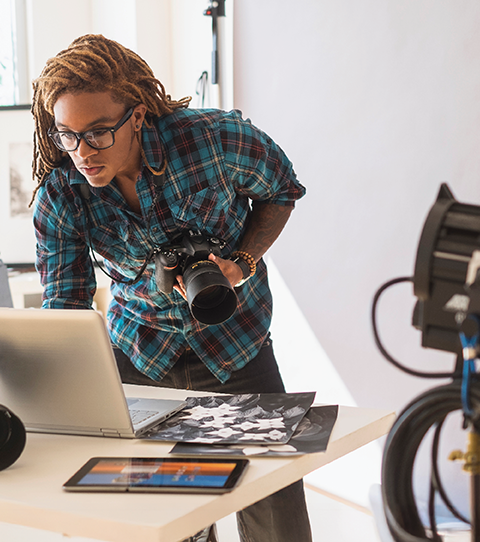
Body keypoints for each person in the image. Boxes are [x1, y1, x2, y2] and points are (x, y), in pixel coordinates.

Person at [30, 35, 308, 542]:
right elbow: (65, 309)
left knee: (274, 509)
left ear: (136, 116)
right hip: (140, 354)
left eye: (97, 133)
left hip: (236, 344)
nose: (82, 153)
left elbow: (283, 188)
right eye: (67, 135)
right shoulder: (60, 196)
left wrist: (241, 261)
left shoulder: (214, 140)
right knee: (162, 512)